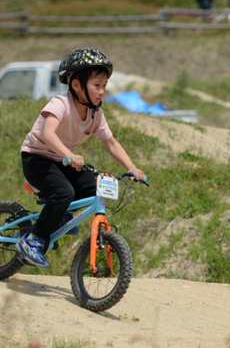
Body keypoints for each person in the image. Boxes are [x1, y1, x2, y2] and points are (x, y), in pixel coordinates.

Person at [17, 48, 145, 269]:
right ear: (76, 85)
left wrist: (132, 168)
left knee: (96, 184)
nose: (102, 91)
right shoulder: (61, 103)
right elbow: (47, 134)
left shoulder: (96, 114)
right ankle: (33, 240)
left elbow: (111, 143)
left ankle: (60, 213)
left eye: (104, 86)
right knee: (64, 192)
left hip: (63, 161)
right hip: (37, 158)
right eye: (97, 86)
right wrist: (69, 154)